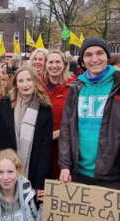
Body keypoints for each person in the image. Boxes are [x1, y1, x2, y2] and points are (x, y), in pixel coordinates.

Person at [59, 36, 120, 221]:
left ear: (107, 55)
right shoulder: (76, 87)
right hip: (82, 172)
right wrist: (65, 165)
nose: (94, 59)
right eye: (88, 55)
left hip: (113, 173)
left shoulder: (118, 83)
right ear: (82, 59)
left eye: (99, 53)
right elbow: (66, 129)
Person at [0, 65, 53, 195]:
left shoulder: (44, 108)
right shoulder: (5, 103)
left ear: (35, 82)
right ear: (16, 84)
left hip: (32, 169)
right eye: (21, 81)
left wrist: (41, 182)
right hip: (5, 167)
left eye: (29, 80)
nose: (25, 84)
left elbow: (46, 149)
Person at [41, 50, 76, 179]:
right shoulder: (37, 85)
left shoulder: (74, 86)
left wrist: (59, 133)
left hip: (65, 147)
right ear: (45, 64)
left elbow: (78, 118)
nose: (54, 66)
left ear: (64, 64)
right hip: (40, 145)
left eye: (57, 62)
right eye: (50, 62)